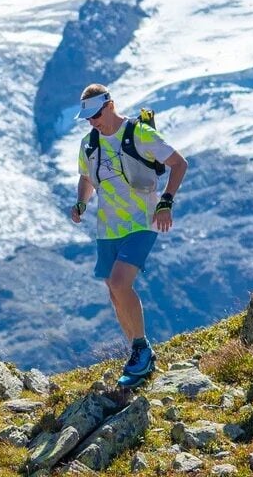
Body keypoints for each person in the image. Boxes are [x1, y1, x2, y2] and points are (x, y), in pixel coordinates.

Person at [71, 85, 188, 384]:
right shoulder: (88, 144)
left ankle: (141, 349)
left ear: (110, 105)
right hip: (107, 229)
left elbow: (179, 163)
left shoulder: (139, 133)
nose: (92, 121)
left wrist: (166, 202)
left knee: (122, 283)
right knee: (113, 290)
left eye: (96, 114)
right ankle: (139, 354)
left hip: (141, 222)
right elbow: (86, 178)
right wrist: (81, 202)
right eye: (87, 117)